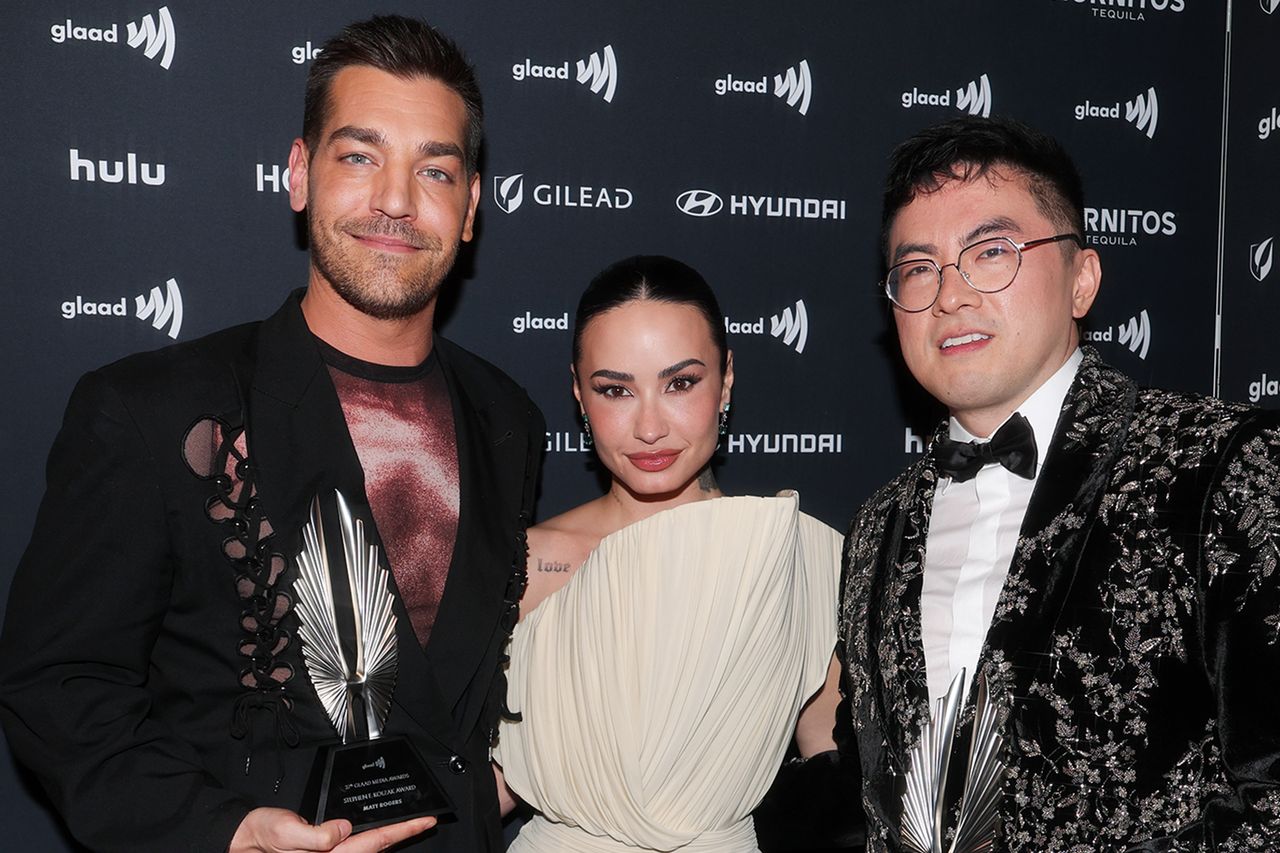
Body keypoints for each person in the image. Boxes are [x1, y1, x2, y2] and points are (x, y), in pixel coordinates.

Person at [0, 15, 543, 853]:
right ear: (298, 174)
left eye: (433, 170)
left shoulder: (509, 418)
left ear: (470, 207)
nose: (395, 201)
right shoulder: (154, 410)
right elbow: (60, 686)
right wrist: (227, 831)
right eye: (359, 156)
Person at [837, 116, 1280, 851]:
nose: (950, 295)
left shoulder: (1220, 465)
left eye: (990, 252)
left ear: (1082, 280)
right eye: (919, 268)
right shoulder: (877, 525)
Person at [491, 255, 843, 852]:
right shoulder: (522, 565)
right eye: (615, 390)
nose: (649, 426)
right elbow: (489, 787)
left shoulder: (792, 555)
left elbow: (836, 787)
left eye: (680, 383)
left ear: (726, 379)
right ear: (578, 393)